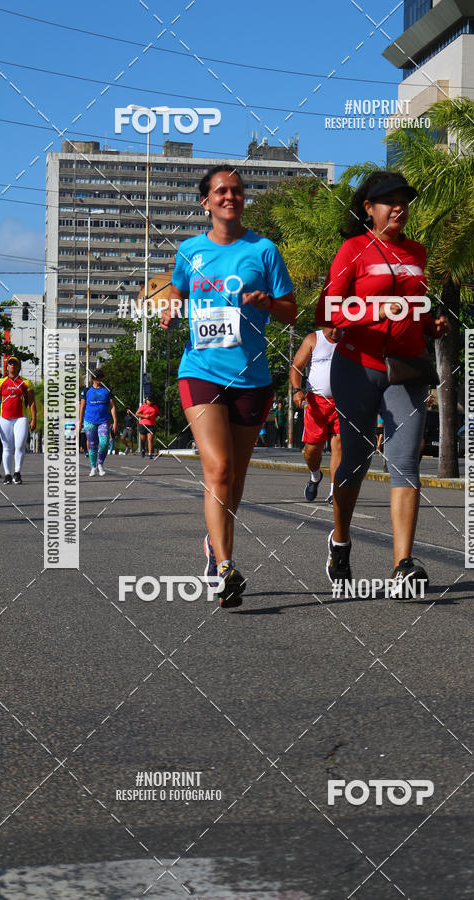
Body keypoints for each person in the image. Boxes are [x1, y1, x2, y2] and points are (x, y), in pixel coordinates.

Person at [160, 164, 295, 607]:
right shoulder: (190, 251)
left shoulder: (264, 250)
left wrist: (268, 302)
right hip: (201, 371)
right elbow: (176, 289)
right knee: (218, 469)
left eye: (236, 190)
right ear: (206, 202)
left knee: (234, 479)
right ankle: (224, 567)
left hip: (252, 377)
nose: (230, 197)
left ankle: (213, 545)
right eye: (221, 191)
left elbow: (292, 312)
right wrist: (170, 307)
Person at [315, 171, 449, 596]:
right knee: (354, 461)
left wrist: (430, 325)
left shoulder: (416, 252)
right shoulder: (352, 250)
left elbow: (416, 305)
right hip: (357, 366)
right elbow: (327, 311)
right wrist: (375, 310)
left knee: (405, 461)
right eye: (389, 201)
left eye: (404, 201)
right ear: (368, 209)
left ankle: (402, 566)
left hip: (405, 368)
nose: (398, 208)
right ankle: (340, 543)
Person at [290, 327, 342, 503]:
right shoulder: (313, 339)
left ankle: (334, 491)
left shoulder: (350, 340)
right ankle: (315, 475)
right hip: (316, 403)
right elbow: (296, 367)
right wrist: (296, 390)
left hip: (342, 401)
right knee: (312, 450)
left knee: (339, 446)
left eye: (339, 327)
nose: (334, 331)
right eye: (331, 327)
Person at [0, 357, 36, 485]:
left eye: (15, 364)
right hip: (4, 418)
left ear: (19, 367)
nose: (12, 365)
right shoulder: (1, 382)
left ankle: (17, 473)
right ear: (7, 367)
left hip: (20, 418)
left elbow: (31, 402)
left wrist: (33, 419)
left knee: (19, 445)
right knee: (7, 447)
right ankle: (8, 474)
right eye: (10, 363)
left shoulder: (26, 382)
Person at [79, 369, 117, 476]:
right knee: (92, 444)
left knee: (104, 443)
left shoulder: (106, 390)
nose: (99, 379)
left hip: (103, 421)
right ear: (92, 378)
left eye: (100, 377)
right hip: (89, 421)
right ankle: (93, 467)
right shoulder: (86, 391)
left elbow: (112, 406)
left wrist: (115, 421)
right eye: (96, 377)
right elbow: (82, 407)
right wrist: (80, 422)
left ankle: (100, 464)